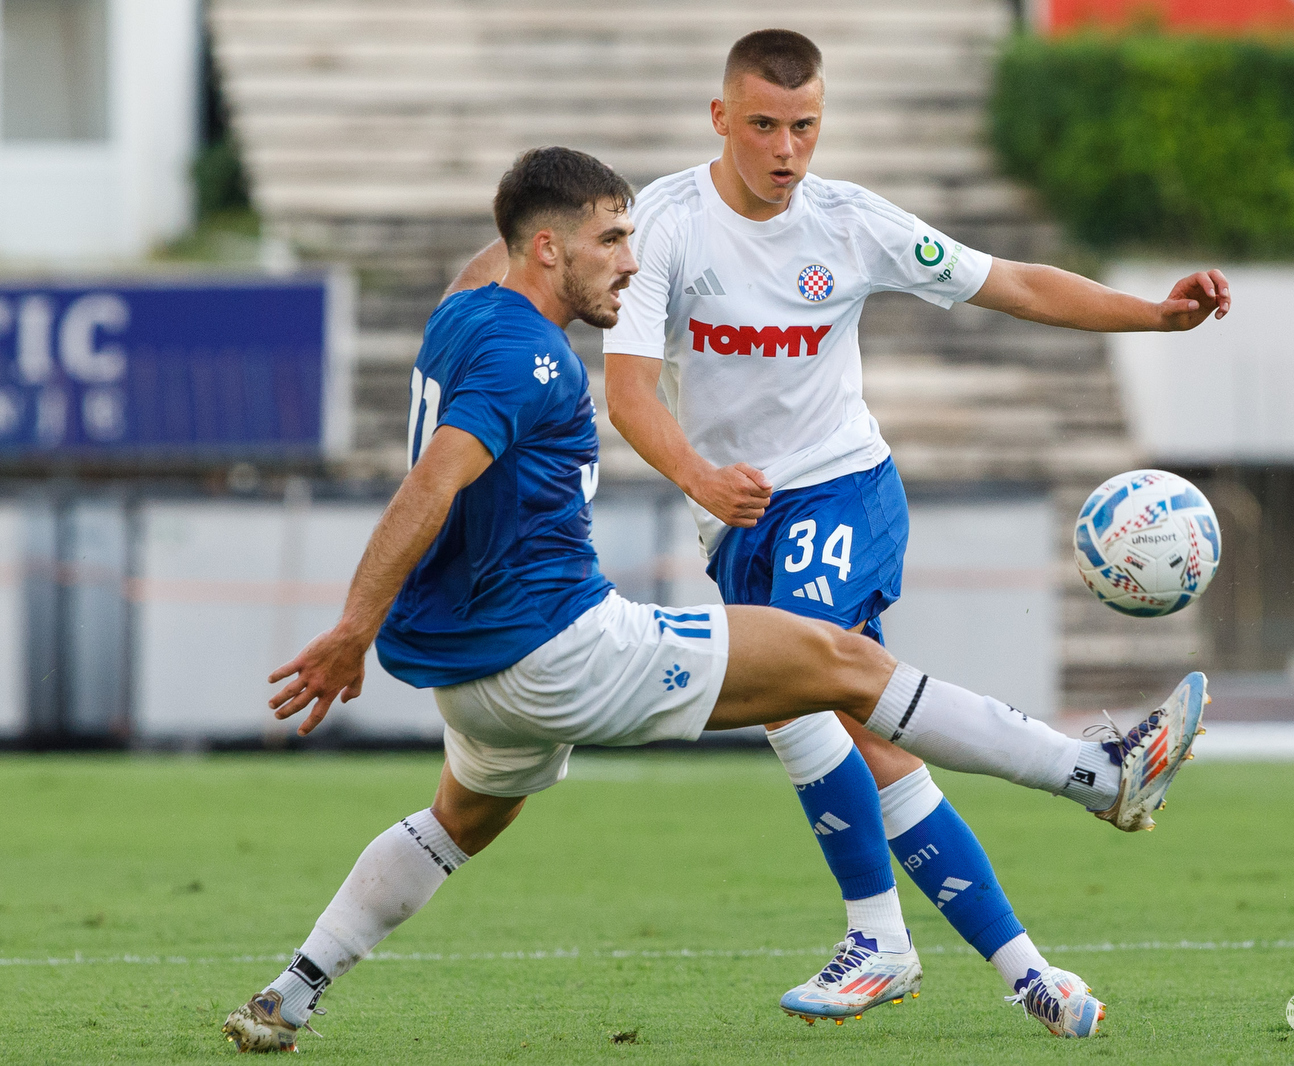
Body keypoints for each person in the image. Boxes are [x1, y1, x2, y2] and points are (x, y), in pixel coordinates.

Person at [222, 146, 1205, 1054]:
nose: (631, 258)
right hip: (562, 650)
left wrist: (556, 214)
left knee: (459, 821)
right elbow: (432, 484)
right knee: (839, 663)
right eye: (611, 240)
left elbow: (502, 254)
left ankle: (291, 989)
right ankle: (1097, 775)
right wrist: (351, 627)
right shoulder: (535, 360)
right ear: (550, 249)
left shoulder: (461, 310)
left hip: (469, 677)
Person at [448, 29, 1229, 1032]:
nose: (786, 150)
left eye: (805, 127)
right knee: (857, 727)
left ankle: (912, 913)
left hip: (841, 490)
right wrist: (700, 479)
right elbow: (630, 393)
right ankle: (1032, 961)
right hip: (735, 522)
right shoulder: (666, 228)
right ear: (721, 119)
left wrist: (1151, 318)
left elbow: (1014, 283)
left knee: (813, 700)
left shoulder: (851, 223)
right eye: (765, 125)